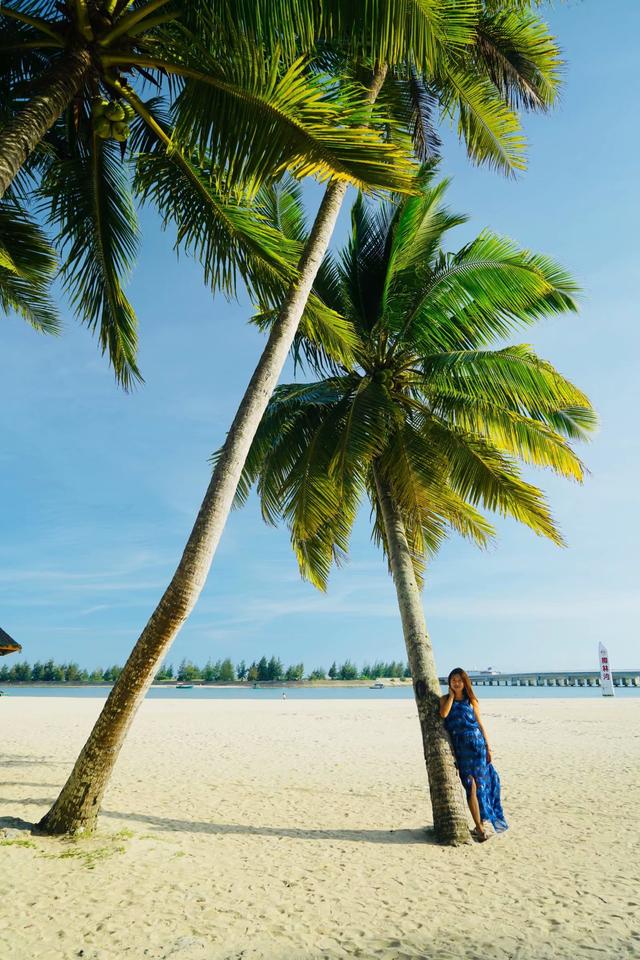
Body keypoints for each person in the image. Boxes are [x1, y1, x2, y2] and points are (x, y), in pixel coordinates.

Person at [439, 667, 508, 842]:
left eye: (459, 680)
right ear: (450, 682)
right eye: (453, 680)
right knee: (470, 787)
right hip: (461, 749)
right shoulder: (445, 700)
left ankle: (481, 826)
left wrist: (488, 746)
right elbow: (443, 714)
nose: (456, 683)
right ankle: (479, 826)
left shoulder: (472, 701)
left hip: (477, 746)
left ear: (465, 682)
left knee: (481, 786)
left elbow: (480, 724)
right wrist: (452, 697)